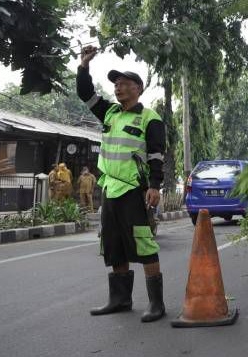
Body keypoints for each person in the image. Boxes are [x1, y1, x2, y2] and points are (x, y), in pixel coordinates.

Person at [77, 45, 166, 323]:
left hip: (133, 191)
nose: (118, 88)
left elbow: (156, 154)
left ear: (138, 88)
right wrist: (83, 66)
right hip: (110, 190)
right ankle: (120, 299)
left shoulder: (149, 117)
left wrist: (154, 185)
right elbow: (85, 93)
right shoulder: (110, 113)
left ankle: (156, 303)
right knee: (113, 243)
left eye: (125, 84)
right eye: (116, 84)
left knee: (143, 242)